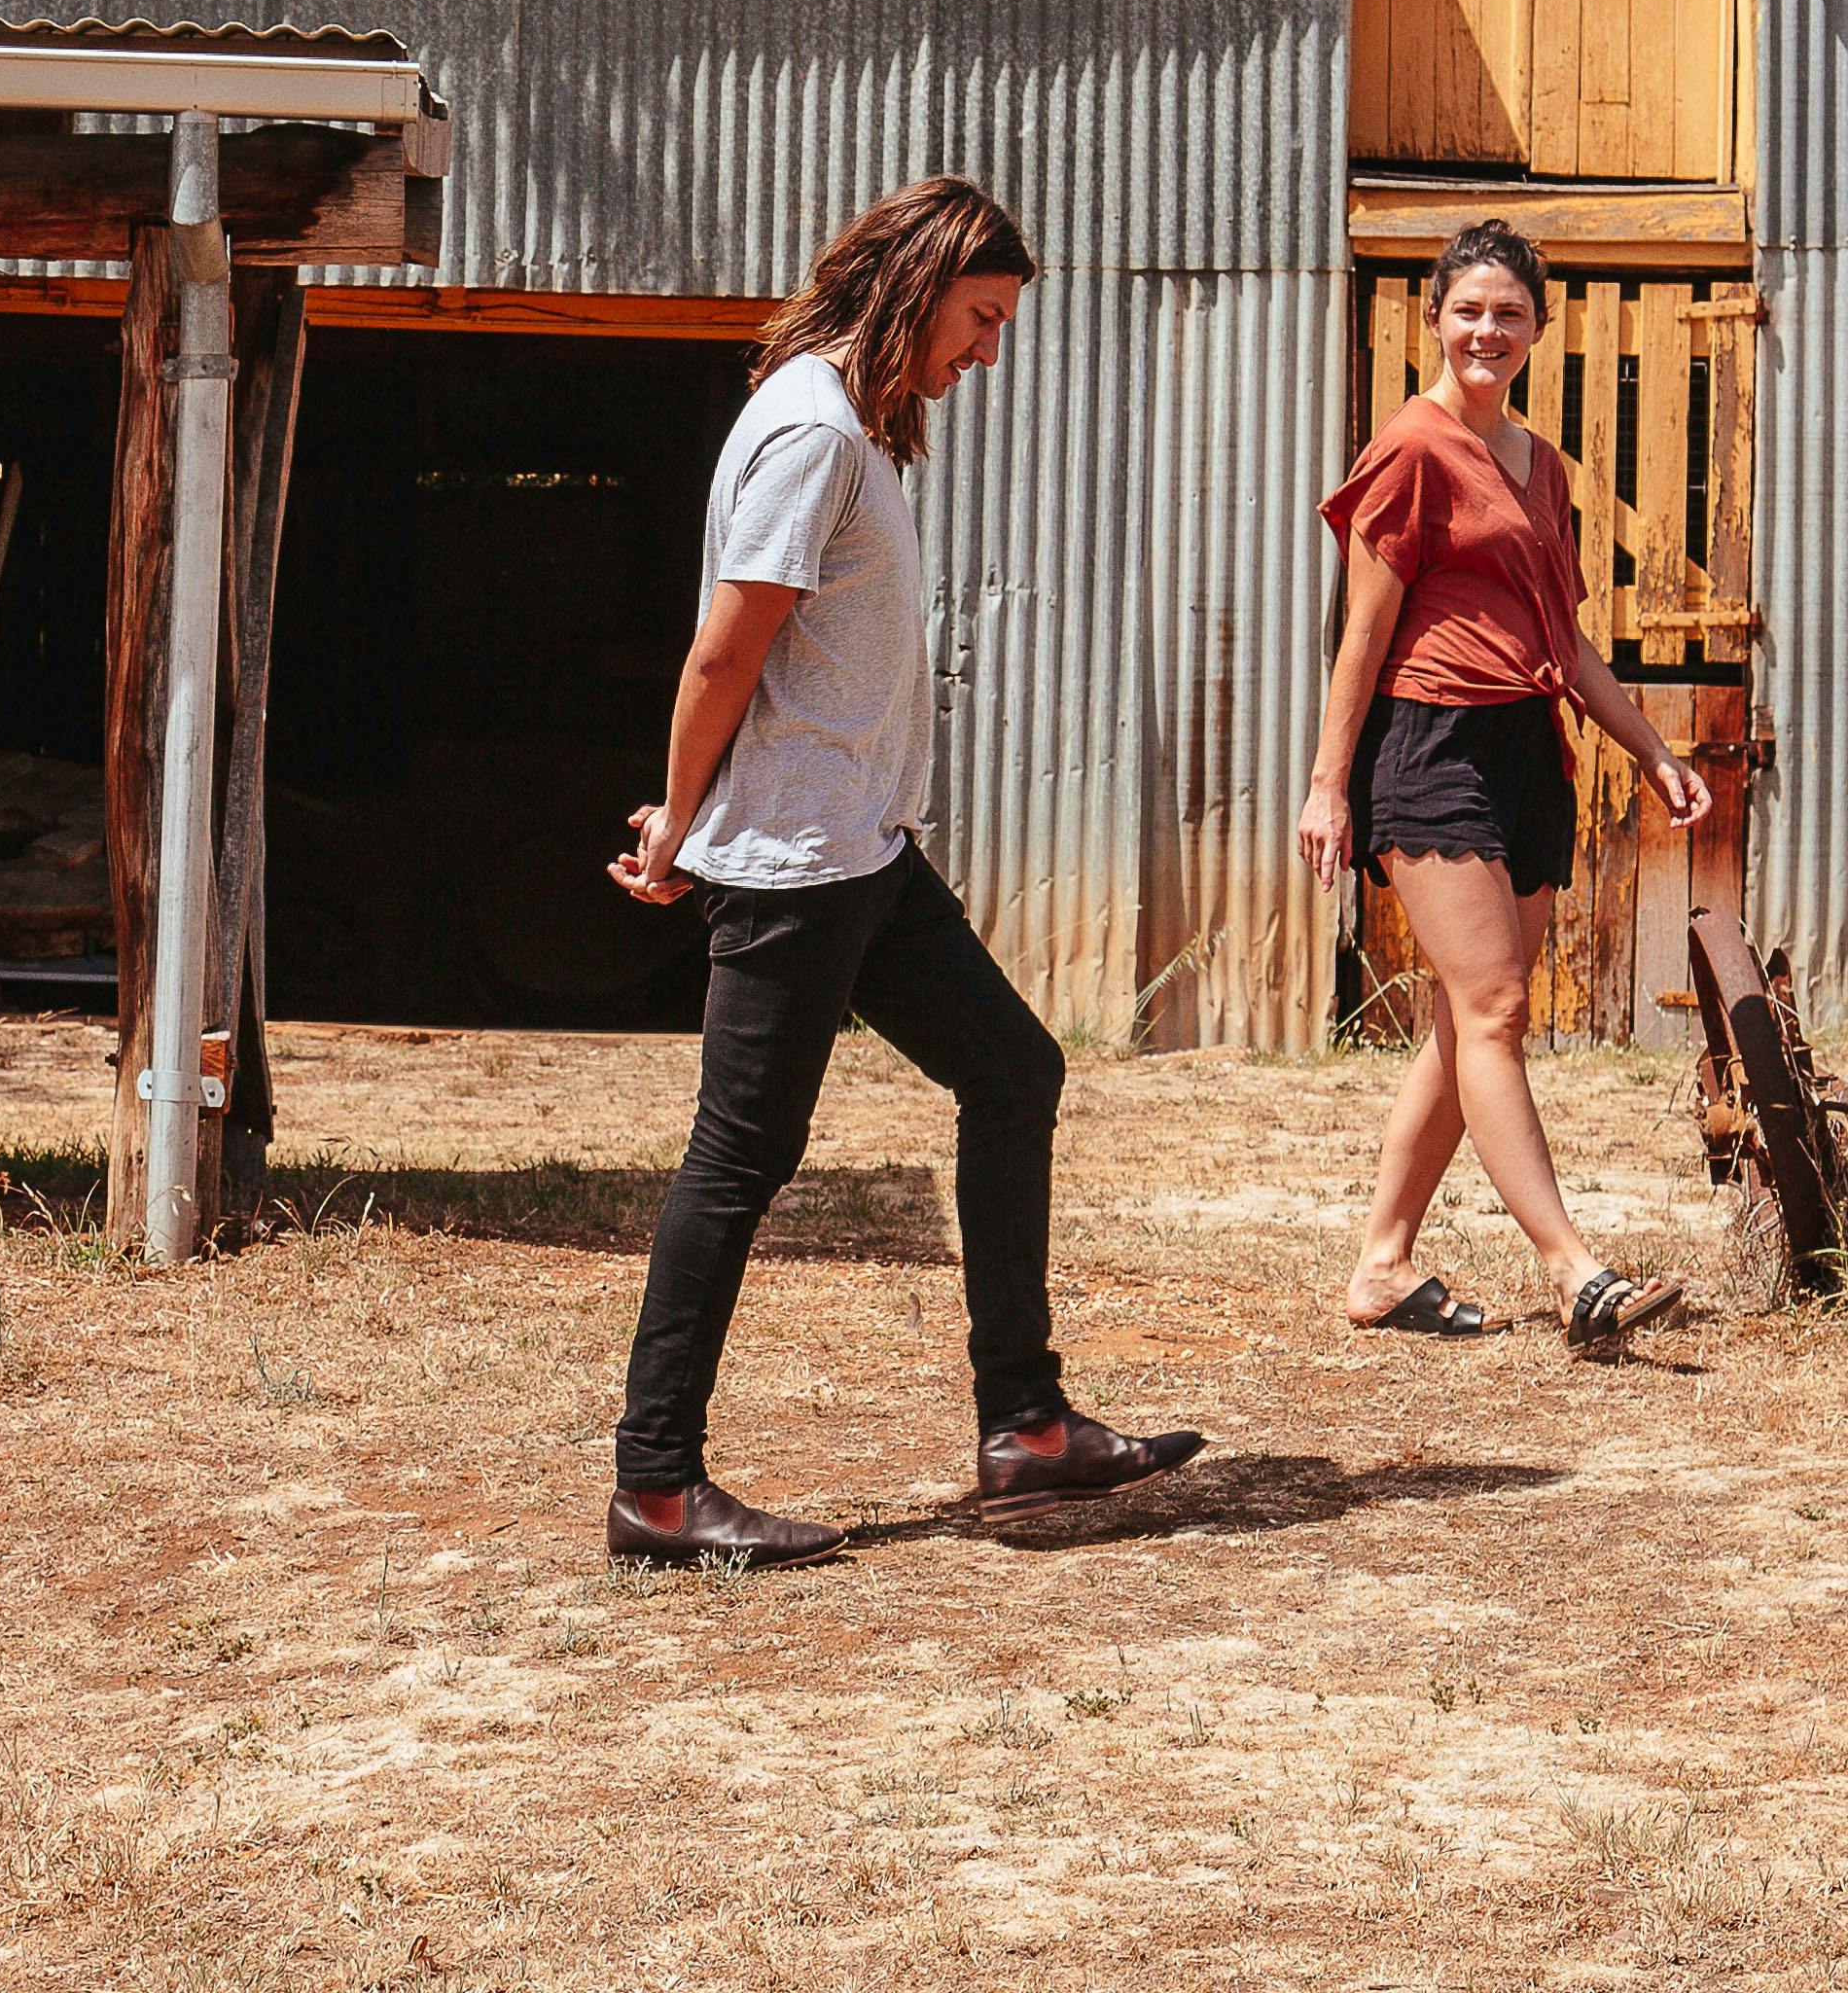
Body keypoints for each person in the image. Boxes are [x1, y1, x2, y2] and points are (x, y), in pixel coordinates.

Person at [600, 176, 1207, 1568]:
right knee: (739, 1157)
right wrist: (680, 820)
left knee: (1016, 1072)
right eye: (982, 318)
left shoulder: (845, 429)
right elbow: (724, 649)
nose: (987, 351)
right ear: (922, 284)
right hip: (802, 864)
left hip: (862, 850)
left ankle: (1028, 1428)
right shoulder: (813, 434)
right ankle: (654, 1487)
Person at [1299, 218, 1717, 1354]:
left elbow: (1565, 638)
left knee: (1462, 1011)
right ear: (1432, 317)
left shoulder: (1544, 465)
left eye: (1510, 312)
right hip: (1429, 742)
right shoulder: (1412, 447)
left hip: (1527, 747)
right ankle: (1573, 1269)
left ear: (1537, 328)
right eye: (1468, 308)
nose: (1488, 328)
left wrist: (1648, 745)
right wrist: (1329, 782)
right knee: (1494, 1008)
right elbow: (1363, 628)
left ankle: (1383, 1263)